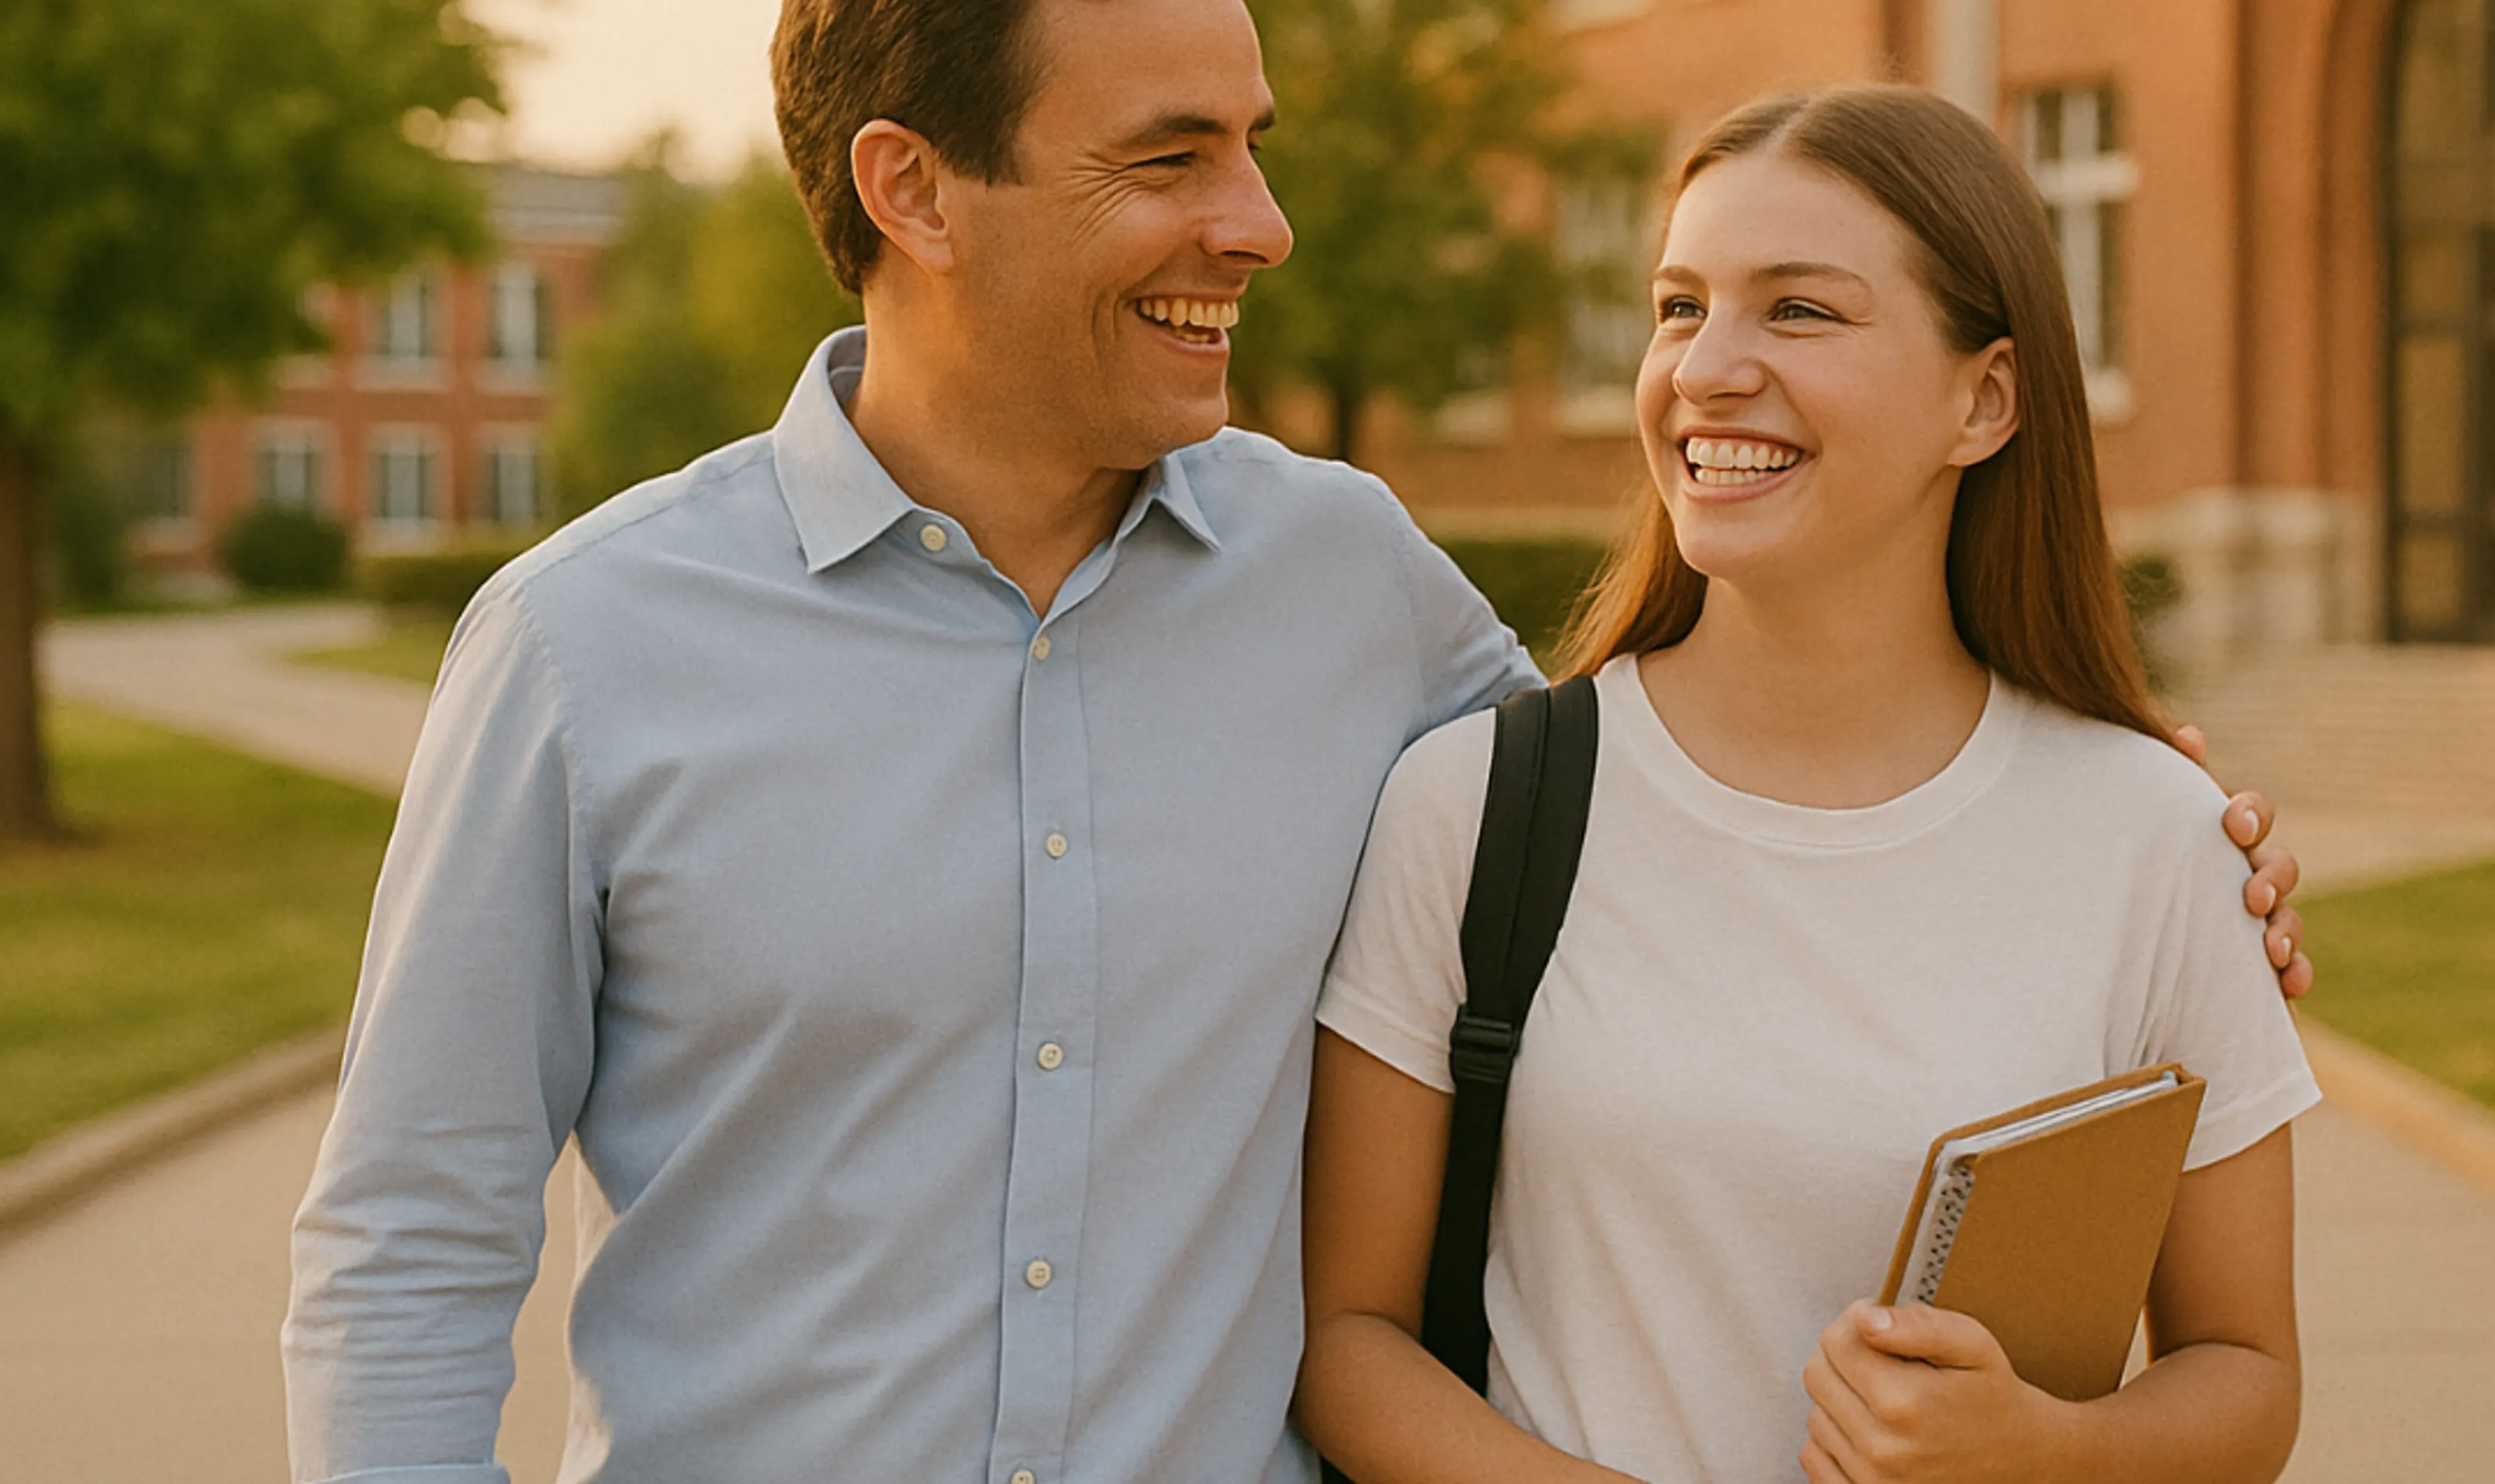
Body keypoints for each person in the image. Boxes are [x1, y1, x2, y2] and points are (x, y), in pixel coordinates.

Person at [280, 2, 2310, 1479]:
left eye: (1252, 146)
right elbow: (410, 1239)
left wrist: (2126, 819)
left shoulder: (1352, 584)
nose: (1255, 223)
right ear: (913, 191)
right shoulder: (583, 645)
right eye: (1168, 160)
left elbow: (1684, 809)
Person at [1295, 84, 2320, 1484]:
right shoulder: (1475, 808)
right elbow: (1346, 1341)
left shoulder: (2158, 840)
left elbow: (2246, 1379)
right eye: (1678, 306)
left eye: (1799, 311)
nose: (1707, 368)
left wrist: (2039, 1450)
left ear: (1987, 397)